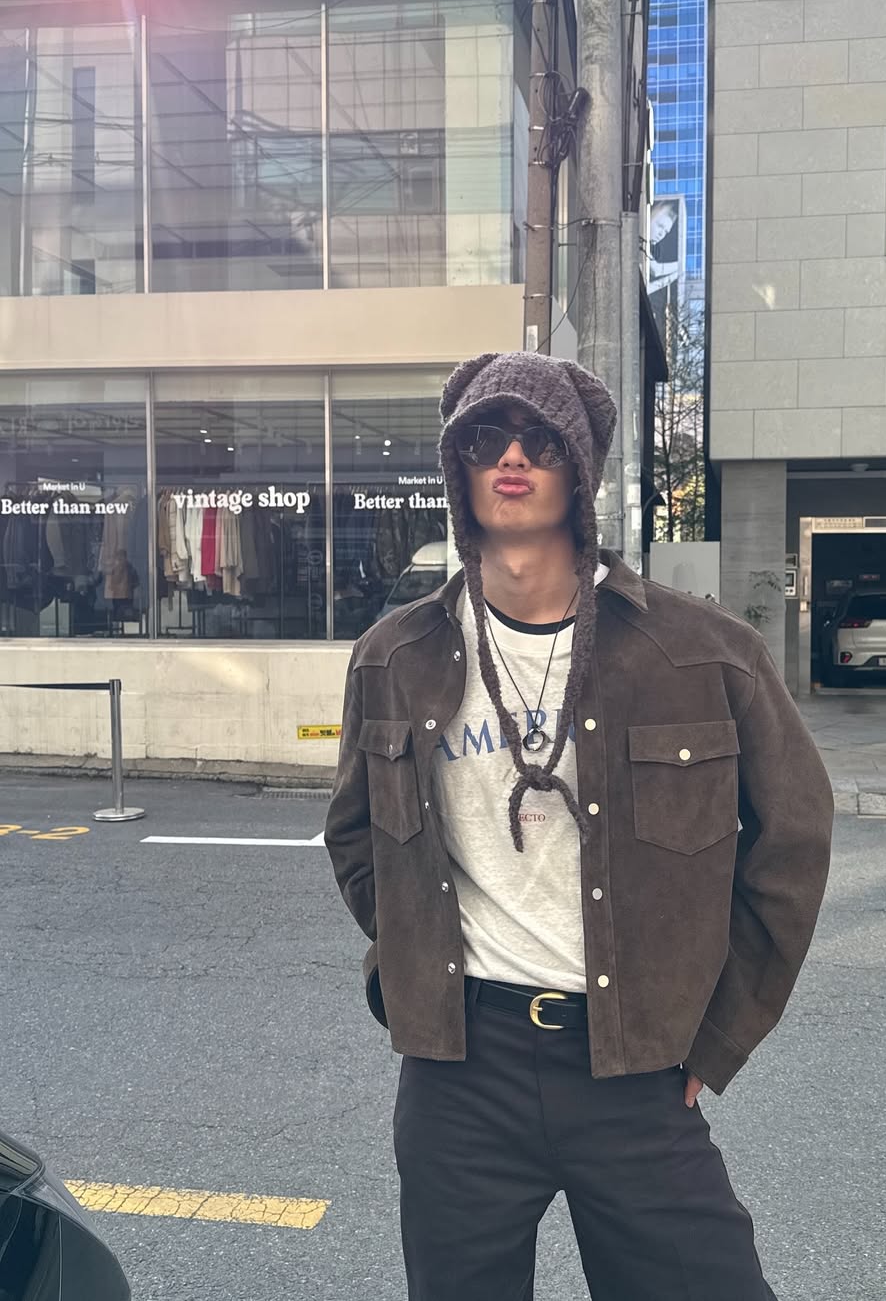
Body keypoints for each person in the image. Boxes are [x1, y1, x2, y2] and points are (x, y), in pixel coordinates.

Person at [324, 351, 834, 1301]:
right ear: (458, 467)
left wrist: (720, 1034)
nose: (512, 457)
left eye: (541, 439)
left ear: (580, 469)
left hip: (634, 1068)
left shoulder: (703, 652)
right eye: (486, 438)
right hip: (459, 1074)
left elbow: (793, 842)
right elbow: (356, 840)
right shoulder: (394, 656)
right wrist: (415, 961)